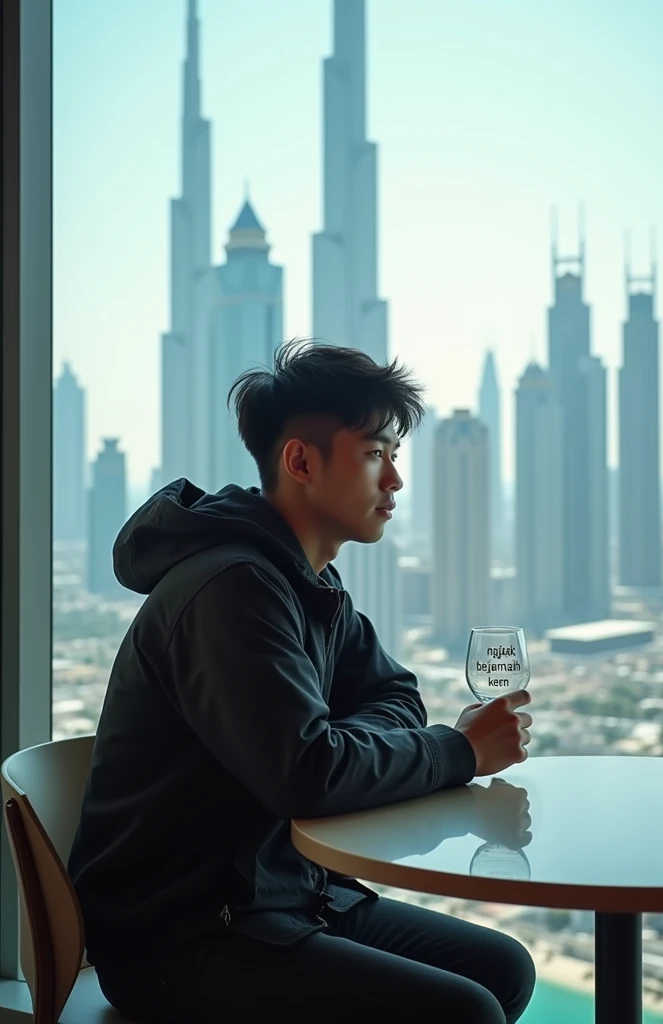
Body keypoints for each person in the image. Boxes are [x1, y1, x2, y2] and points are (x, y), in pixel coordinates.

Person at [69, 340, 535, 1023]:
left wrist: (341, 746)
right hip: (182, 937)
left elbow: (396, 696)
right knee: (466, 1011)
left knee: (504, 969)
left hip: (284, 899)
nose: (396, 481)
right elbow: (308, 773)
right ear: (300, 461)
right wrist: (457, 751)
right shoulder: (233, 589)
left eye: (395, 456)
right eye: (376, 453)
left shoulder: (308, 581)